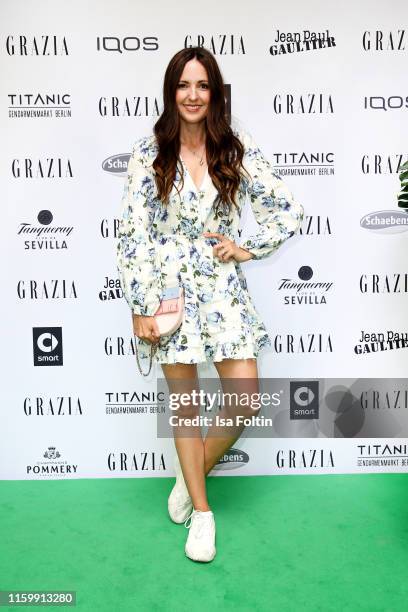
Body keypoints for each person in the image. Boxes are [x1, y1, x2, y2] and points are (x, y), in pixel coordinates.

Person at [116, 46, 304, 563]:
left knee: (244, 397)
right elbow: (131, 235)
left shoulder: (233, 149)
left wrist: (248, 248)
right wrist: (140, 306)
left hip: (223, 290)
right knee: (186, 407)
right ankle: (202, 514)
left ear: (215, 93)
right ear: (170, 91)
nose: (192, 95)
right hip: (170, 293)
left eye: (202, 86)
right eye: (183, 85)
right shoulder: (148, 153)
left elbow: (289, 210)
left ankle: (189, 472)